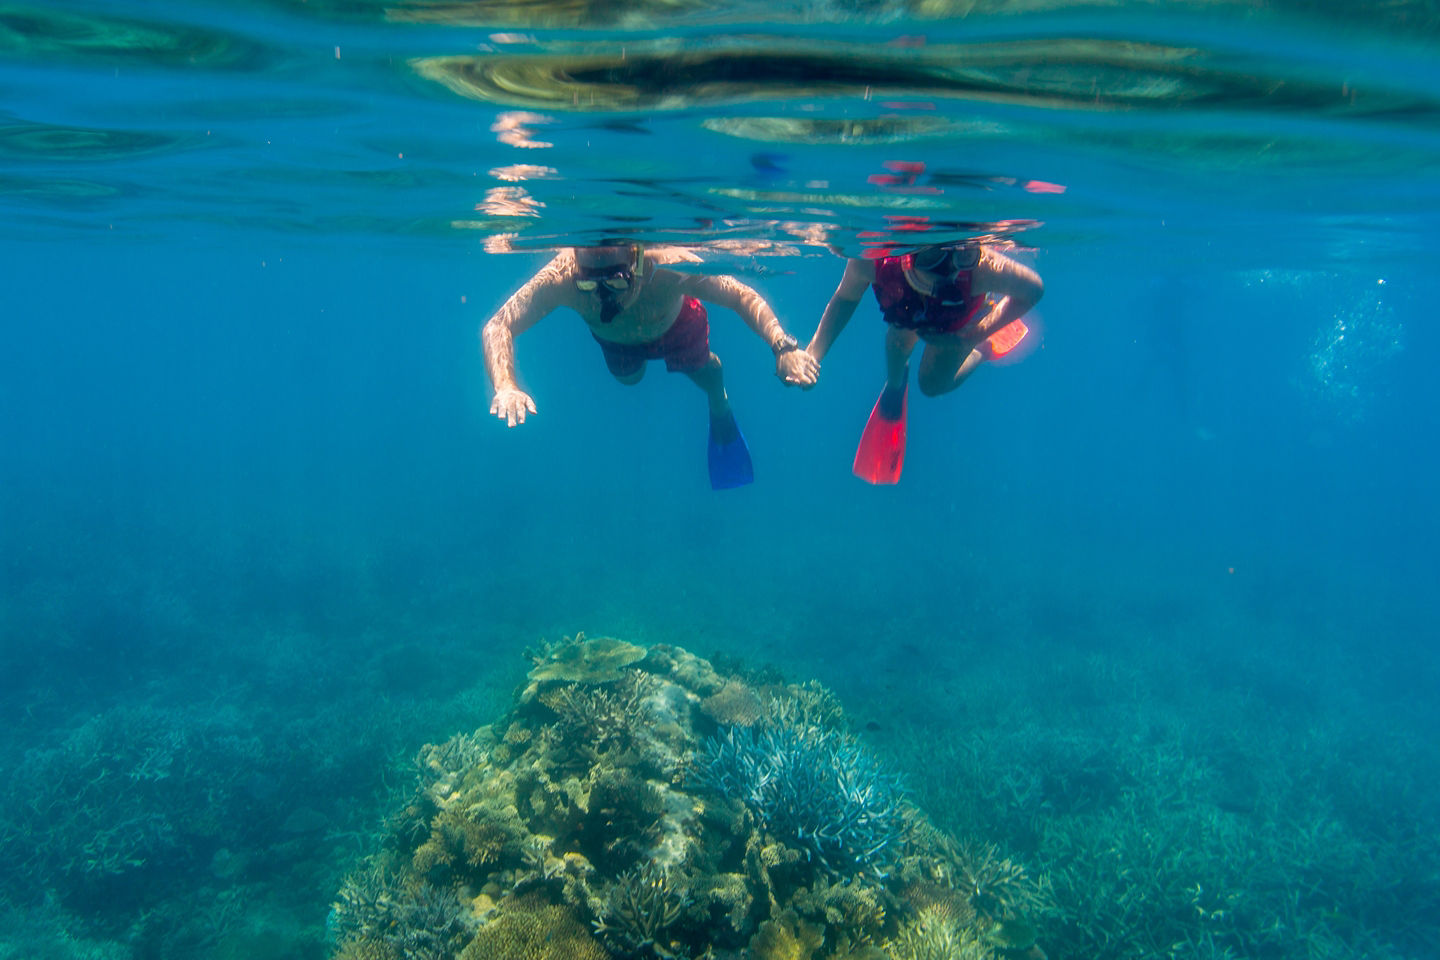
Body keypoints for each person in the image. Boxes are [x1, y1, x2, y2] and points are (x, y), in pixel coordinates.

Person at [482, 242, 819, 489]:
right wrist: (505, 384)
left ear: (639, 262)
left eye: (614, 282)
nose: (603, 298)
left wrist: (781, 346)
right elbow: (499, 325)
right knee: (628, 379)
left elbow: (740, 295)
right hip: (616, 343)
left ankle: (719, 395)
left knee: (702, 371)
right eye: (589, 285)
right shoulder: (562, 277)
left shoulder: (670, 266)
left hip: (677, 327)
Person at [802, 242, 1043, 484]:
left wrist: (976, 335)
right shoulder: (874, 256)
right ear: (907, 255)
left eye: (964, 257)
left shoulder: (981, 269)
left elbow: (1033, 289)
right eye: (933, 258)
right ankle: (895, 384)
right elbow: (846, 297)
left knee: (932, 384)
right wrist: (813, 354)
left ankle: (983, 349)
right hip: (906, 312)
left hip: (959, 325)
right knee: (900, 336)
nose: (950, 270)